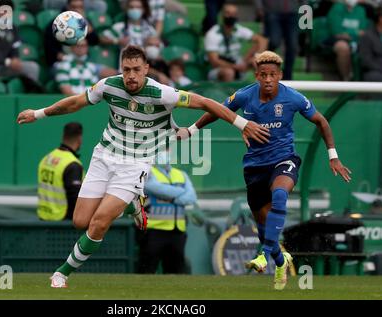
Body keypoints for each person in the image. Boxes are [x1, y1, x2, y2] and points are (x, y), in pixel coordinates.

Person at [16, 45, 270, 288]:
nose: (131, 75)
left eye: (136, 69)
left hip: (134, 164)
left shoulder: (162, 93)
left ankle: (62, 273)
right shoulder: (108, 86)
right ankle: (131, 204)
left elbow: (205, 102)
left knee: (99, 222)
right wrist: (39, 113)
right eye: (126, 69)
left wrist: (242, 123)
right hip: (103, 156)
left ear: (146, 68)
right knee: (80, 221)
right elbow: (74, 103)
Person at [178, 51, 351, 290]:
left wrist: (333, 156)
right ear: (256, 76)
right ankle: (279, 260)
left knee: (280, 195)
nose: (268, 79)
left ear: (280, 75)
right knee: (262, 223)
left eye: (272, 75)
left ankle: (263, 254)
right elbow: (217, 110)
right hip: (255, 166)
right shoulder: (244, 95)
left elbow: (321, 121)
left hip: (284, 159)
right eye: (263, 75)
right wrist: (191, 129)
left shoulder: (293, 98)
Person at [137, 149, 197, 274]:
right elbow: (158, 189)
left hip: (177, 232)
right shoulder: (148, 173)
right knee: (147, 271)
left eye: (166, 149)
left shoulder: (181, 174)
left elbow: (191, 198)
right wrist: (180, 194)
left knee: (176, 273)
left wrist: (171, 196)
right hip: (153, 231)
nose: (164, 153)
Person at [204, 2, 268, 82]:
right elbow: (214, 61)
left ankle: (260, 91)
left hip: (238, 64)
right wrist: (235, 67)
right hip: (217, 69)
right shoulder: (213, 33)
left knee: (257, 62)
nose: (231, 16)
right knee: (229, 72)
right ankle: (229, 94)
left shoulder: (238, 29)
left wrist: (256, 56)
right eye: (228, 13)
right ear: (222, 15)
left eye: (234, 14)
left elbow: (262, 40)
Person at [37, 122, 84, 221]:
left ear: (63, 136)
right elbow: (75, 199)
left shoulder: (47, 158)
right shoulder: (72, 164)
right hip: (62, 224)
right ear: (80, 139)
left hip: (42, 219)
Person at [254, 0, 305, 80]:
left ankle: (287, 77)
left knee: (292, 45)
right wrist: (259, 7)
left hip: (293, 13)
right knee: (274, 42)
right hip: (272, 11)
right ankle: (267, 69)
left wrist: (305, 6)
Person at [44, 0, 100, 68]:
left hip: (84, 62)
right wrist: (65, 58)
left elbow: (95, 41)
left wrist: (84, 22)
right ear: (68, 7)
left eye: (80, 7)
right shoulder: (57, 23)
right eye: (74, 7)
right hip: (62, 62)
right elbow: (49, 48)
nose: (77, 10)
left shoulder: (86, 22)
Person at [324, 0, 369, 81]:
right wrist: (355, 32)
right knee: (342, 46)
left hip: (358, 41)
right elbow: (337, 32)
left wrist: (347, 32)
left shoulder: (361, 10)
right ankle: (346, 79)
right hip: (337, 40)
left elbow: (363, 32)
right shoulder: (337, 8)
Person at [358, 6, 382, 82]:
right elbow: (366, 61)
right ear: (380, 18)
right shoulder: (367, 36)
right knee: (375, 77)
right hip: (375, 71)